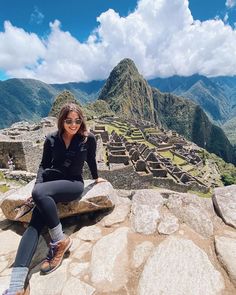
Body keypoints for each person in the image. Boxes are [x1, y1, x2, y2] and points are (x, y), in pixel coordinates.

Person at [3, 103, 106, 295]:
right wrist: (37, 189)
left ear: (81, 120)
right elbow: (43, 166)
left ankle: (60, 240)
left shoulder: (87, 139)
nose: (73, 125)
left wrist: (96, 177)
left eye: (77, 120)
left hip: (73, 184)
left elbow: (91, 160)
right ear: (62, 121)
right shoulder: (51, 139)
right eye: (69, 121)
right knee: (34, 226)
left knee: (39, 196)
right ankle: (17, 286)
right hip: (51, 185)